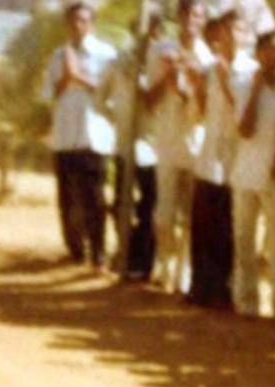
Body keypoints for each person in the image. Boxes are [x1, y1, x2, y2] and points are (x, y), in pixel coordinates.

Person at [188, 8, 256, 310]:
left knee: (225, 226)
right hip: (208, 153)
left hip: (232, 156)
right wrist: (199, 89)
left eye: (238, 31)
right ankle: (200, 286)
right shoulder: (209, 68)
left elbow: (243, 116)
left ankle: (223, 289)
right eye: (226, 31)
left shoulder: (250, 70)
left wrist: (227, 82)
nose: (231, 37)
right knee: (202, 222)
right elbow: (200, 114)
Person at [144, 0, 212, 294]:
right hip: (167, 140)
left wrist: (188, 87)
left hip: (196, 142)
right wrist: (167, 77)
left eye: (196, 15)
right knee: (164, 213)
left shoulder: (208, 58)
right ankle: (165, 262)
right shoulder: (160, 51)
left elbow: (206, 110)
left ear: (203, 20)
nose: (190, 21)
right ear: (179, 17)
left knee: (190, 214)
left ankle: (183, 273)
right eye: (186, 14)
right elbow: (149, 99)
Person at [43, 1, 116, 272]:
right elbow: (51, 93)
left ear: (92, 24)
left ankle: (98, 252)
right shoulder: (58, 56)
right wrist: (66, 75)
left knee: (94, 198)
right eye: (74, 21)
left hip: (93, 134)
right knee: (67, 197)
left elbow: (108, 94)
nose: (78, 26)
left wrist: (80, 77)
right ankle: (74, 250)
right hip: (65, 134)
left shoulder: (106, 55)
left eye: (84, 21)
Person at [98, 11, 162, 282]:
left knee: (150, 204)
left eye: (153, 32)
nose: (148, 37)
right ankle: (124, 252)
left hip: (152, 146)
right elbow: (100, 98)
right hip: (125, 143)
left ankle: (142, 259)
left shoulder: (160, 65)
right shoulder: (119, 63)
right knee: (122, 204)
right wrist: (117, 119)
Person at [230, 29, 275, 317]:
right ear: (258, 54)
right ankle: (248, 302)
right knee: (244, 240)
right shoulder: (243, 85)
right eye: (269, 50)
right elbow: (244, 129)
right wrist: (255, 89)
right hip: (245, 173)